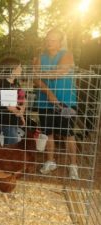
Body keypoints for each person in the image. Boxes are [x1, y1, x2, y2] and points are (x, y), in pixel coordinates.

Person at [33, 28, 78, 179]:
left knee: (68, 134)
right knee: (48, 132)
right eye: (47, 39)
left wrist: (42, 74)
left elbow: (61, 71)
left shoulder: (67, 54)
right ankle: (50, 161)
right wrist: (49, 93)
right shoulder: (40, 56)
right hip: (45, 102)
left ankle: (73, 165)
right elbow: (35, 79)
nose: (49, 42)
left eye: (53, 40)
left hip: (66, 101)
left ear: (60, 42)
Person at [0, 57, 26, 145]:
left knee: (11, 146)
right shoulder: (4, 85)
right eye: (19, 67)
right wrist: (20, 112)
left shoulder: (15, 83)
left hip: (14, 120)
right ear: (12, 69)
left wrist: (22, 114)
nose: (21, 69)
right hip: (6, 121)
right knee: (12, 146)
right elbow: (10, 107)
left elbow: (22, 98)